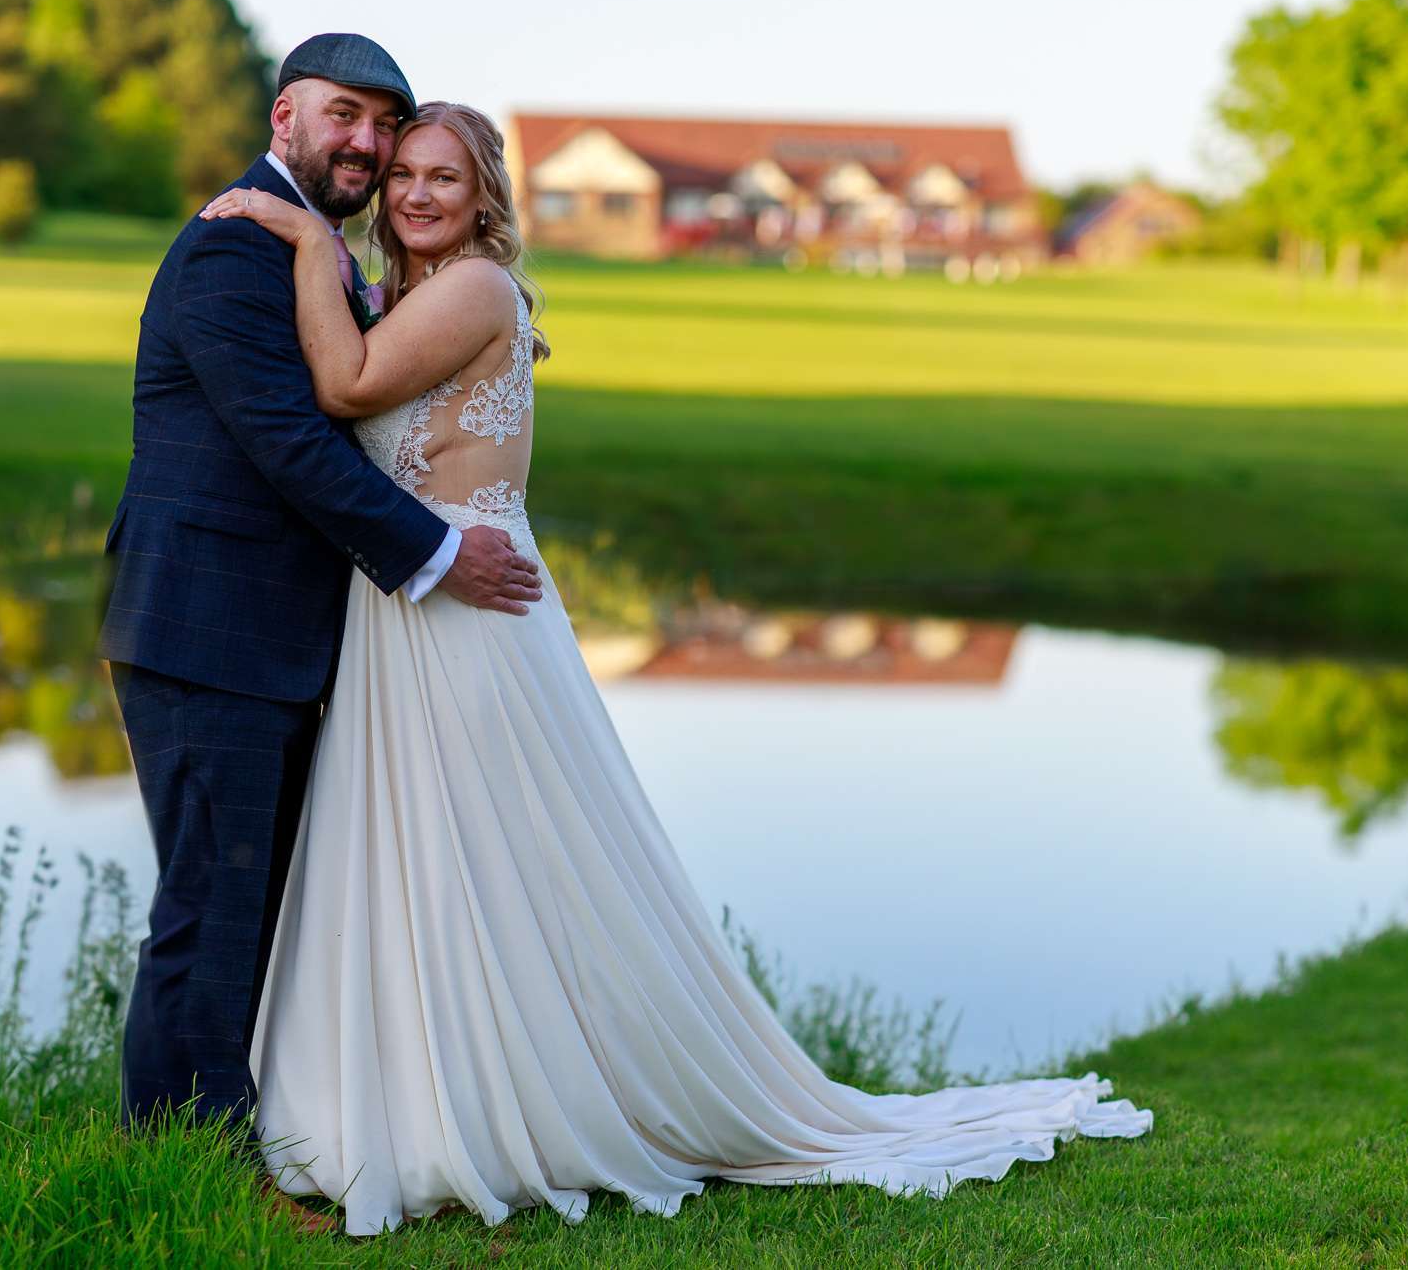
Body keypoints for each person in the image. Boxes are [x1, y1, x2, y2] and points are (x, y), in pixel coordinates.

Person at [199, 100, 1152, 1237]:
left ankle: (511, 1105)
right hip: (409, 605)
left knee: (487, 865)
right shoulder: (414, 292)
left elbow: (347, 388)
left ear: (482, 198)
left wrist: (305, 237)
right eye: (401, 173)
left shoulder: (471, 290)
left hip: (466, 617)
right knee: (427, 861)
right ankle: (417, 1090)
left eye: (443, 179)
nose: (413, 194)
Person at [95, 33, 544, 1181]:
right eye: (343, 116)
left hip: (282, 639)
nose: (365, 144)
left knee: (253, 908)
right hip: (211, 632)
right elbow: (296, 437)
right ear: (286, 113)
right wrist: (439, 553)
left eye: (382, 128)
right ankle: (182, 1166)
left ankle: (276, 1135)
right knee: (209, 906)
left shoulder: (322, 251)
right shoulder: (238, 243)